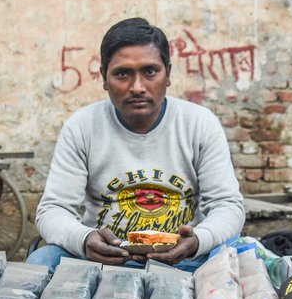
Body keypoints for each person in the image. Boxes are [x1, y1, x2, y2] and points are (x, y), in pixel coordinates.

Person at [28, 17, 245, 273]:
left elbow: (227, 205)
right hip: (100, 262)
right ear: (105, 79)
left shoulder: (199, 123)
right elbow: (54, 209)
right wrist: (85, 240)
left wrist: (198, 240)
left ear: (168, 75)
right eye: (122, 74)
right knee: (42, 261)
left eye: (150, 71)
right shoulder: (82, 127)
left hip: (184, 261)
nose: (138, 87)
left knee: (241, 258)